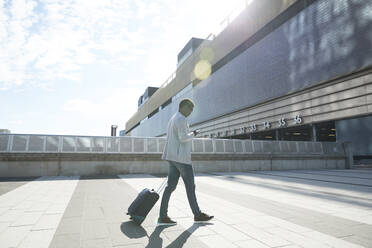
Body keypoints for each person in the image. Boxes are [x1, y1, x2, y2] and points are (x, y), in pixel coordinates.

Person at [158, 98, 214, 225]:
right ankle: (197, 215)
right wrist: (194, 133)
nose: (191, 112)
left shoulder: (173, 118)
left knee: (170, 187)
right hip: (182, 159)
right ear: (183, 107)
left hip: (172, 157)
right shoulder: (181, 119)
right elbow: (183, 138)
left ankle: (162, 216)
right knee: (190, 187)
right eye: (190, 109)